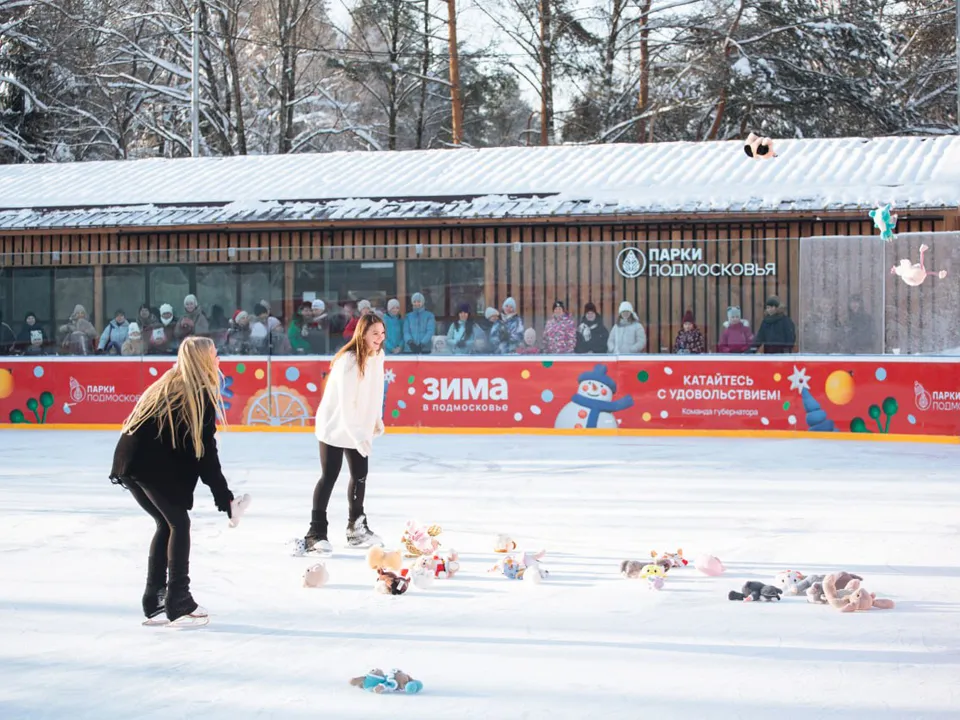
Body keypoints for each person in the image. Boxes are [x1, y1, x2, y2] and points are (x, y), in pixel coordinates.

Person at [109, 336, 249, 626]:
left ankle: (155, 599)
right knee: (178, 524)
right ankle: (179, 601)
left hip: (129, 463)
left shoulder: (170, 383)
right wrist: (225, 498)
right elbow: (205, 455)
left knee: (167, 523)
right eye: (214, 354)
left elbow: (188, 449)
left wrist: (223, 496)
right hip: (144, 466)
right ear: (202, 361)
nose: (218, 358)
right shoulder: (196, 395)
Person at [298, 313, 386, 556]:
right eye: (374, 333)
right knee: (330, 475)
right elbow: (347, 404)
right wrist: (358, 435)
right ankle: (315, 533)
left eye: (382, 333)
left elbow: (375, 391)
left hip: (358, 426)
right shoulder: (348, 360)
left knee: (360, 474)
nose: (379, 338)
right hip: (335, 426)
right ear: (362, 334)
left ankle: (356, 527)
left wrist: (376, 418)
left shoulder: (378, 356)